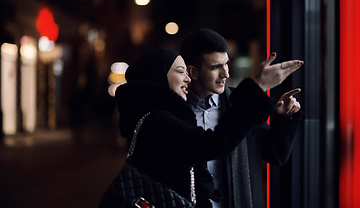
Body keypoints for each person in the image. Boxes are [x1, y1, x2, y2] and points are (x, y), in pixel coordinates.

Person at [101, 48, 303, 207]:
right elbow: (214, 144)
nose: (188, 78)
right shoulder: (158, 122)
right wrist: (258, 87)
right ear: (159, 77)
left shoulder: (161, 118)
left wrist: (281, 117)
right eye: (181, 72)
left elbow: (274, 153)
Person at [180, 28, 305, 208]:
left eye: (226, 64)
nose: (226, 74)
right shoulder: (176, 110)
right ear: (192, 72)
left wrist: (283, 117)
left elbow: (275, 154)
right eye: (215, 67)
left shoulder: (242, 103)